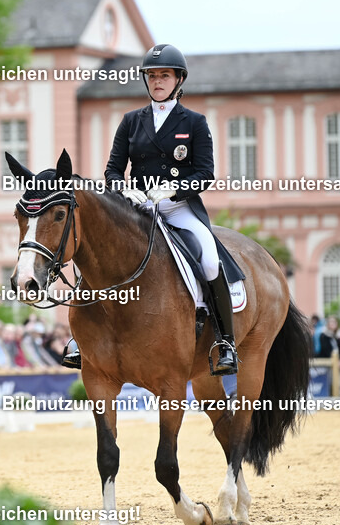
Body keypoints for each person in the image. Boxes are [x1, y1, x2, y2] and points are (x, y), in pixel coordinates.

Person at [99, 43, 237, 378]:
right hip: (136, 210)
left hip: (177, 208)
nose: (157, 81)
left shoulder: (194, 121)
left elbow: (205, 172)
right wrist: (125, 189)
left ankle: (225, 342)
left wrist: (173, 189)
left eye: (164, 75)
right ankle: (84, 338)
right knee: (99, 251)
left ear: (178, 80)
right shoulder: (132, 121)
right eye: (152, 76)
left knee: (207, 256)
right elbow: (113, 170)